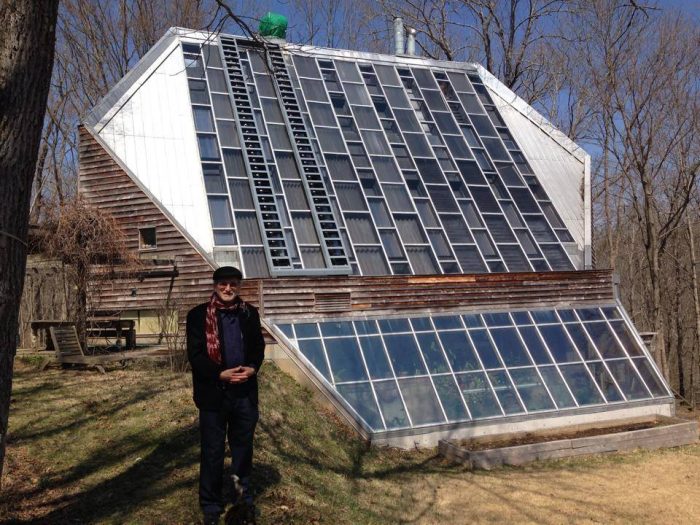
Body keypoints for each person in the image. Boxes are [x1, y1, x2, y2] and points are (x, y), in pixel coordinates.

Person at [186, 266, 265, 525]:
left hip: (244, 393)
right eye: (223, 284)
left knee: (243, 449)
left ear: (239, 286)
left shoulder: (249, 313)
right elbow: (196, 356)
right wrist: (220, 374)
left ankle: (242, 497)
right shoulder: (198, 316)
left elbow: (258, 347)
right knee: (212, 451)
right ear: (215, 286)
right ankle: (210, 504)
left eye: (233, 284)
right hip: (213, 394)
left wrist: (252, 367)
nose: (228, 289)